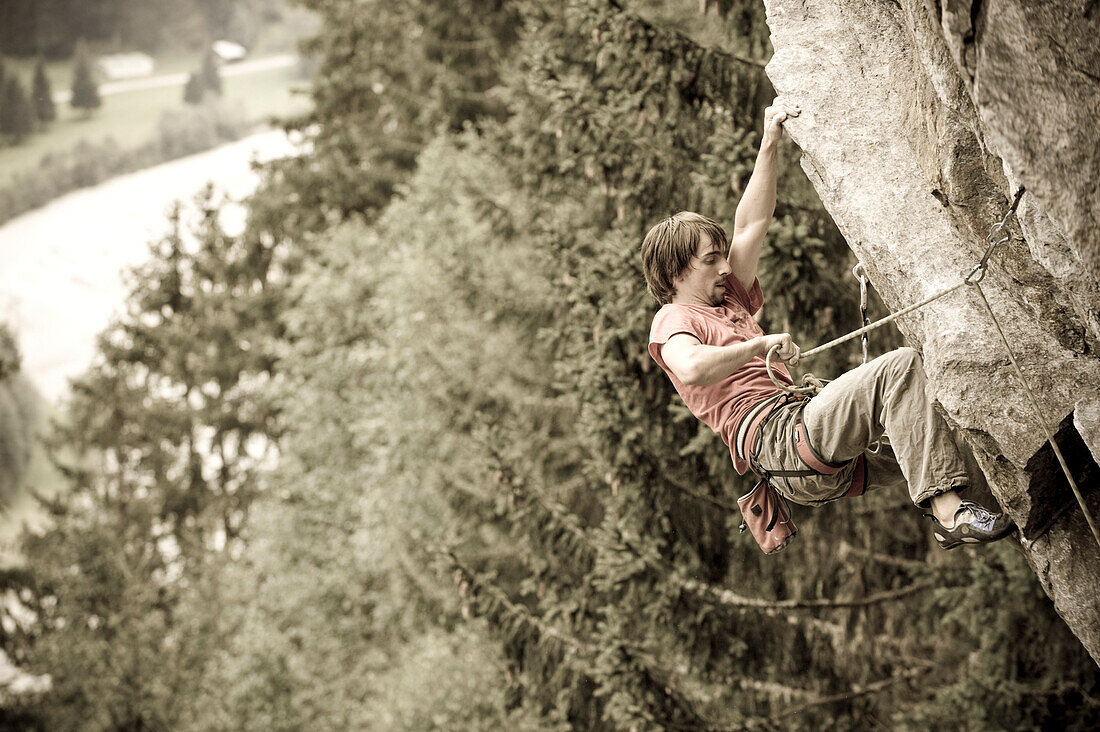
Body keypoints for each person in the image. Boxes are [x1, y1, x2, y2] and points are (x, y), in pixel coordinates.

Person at [641, 97, 1013, 551]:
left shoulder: (728, 299)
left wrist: (769, 143)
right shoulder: (673, 318)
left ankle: (982, 515)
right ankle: (952, 516)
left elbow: (750, 223)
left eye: (723, 258)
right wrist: (759, 348)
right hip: (782, 439)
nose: (724, 267)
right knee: (900, 369)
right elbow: (693, 366)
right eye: (710, 260)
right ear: (678, 273)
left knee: (946, 421)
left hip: (806, 453)